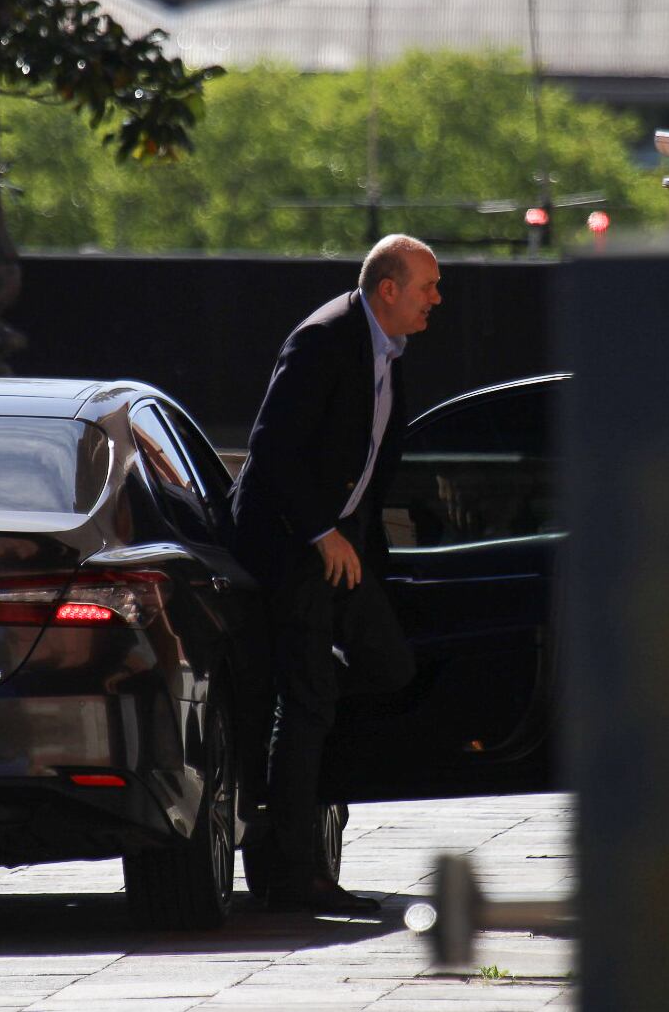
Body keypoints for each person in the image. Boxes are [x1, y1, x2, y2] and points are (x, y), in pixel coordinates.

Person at [230, 234, 440, 912]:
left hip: (340, 553)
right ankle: (292, 869)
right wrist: (321, 532)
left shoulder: (388, 353)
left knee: (390, 668)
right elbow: (270, 448)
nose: (436, 299)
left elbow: (368, 471)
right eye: (427, 286)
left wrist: (353, 542)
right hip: (290, 549)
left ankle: (293, 742)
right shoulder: (325, 338)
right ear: (389, 289)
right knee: (311, 700)